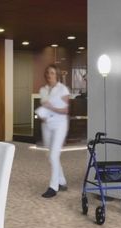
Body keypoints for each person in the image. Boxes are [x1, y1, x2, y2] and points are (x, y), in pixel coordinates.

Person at [36, 64, 70, 198]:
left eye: (52, 73)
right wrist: (43, 115)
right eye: (48, 73)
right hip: (47, 124)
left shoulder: (63, 89)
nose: (50, 75)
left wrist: (51, 107)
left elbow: (65, 110)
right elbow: (43, 106)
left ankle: (53, 187)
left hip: (60, 124)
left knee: (53, 156)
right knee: (51, 155)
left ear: (57, 75)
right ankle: (62, 181)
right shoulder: (43, 90)